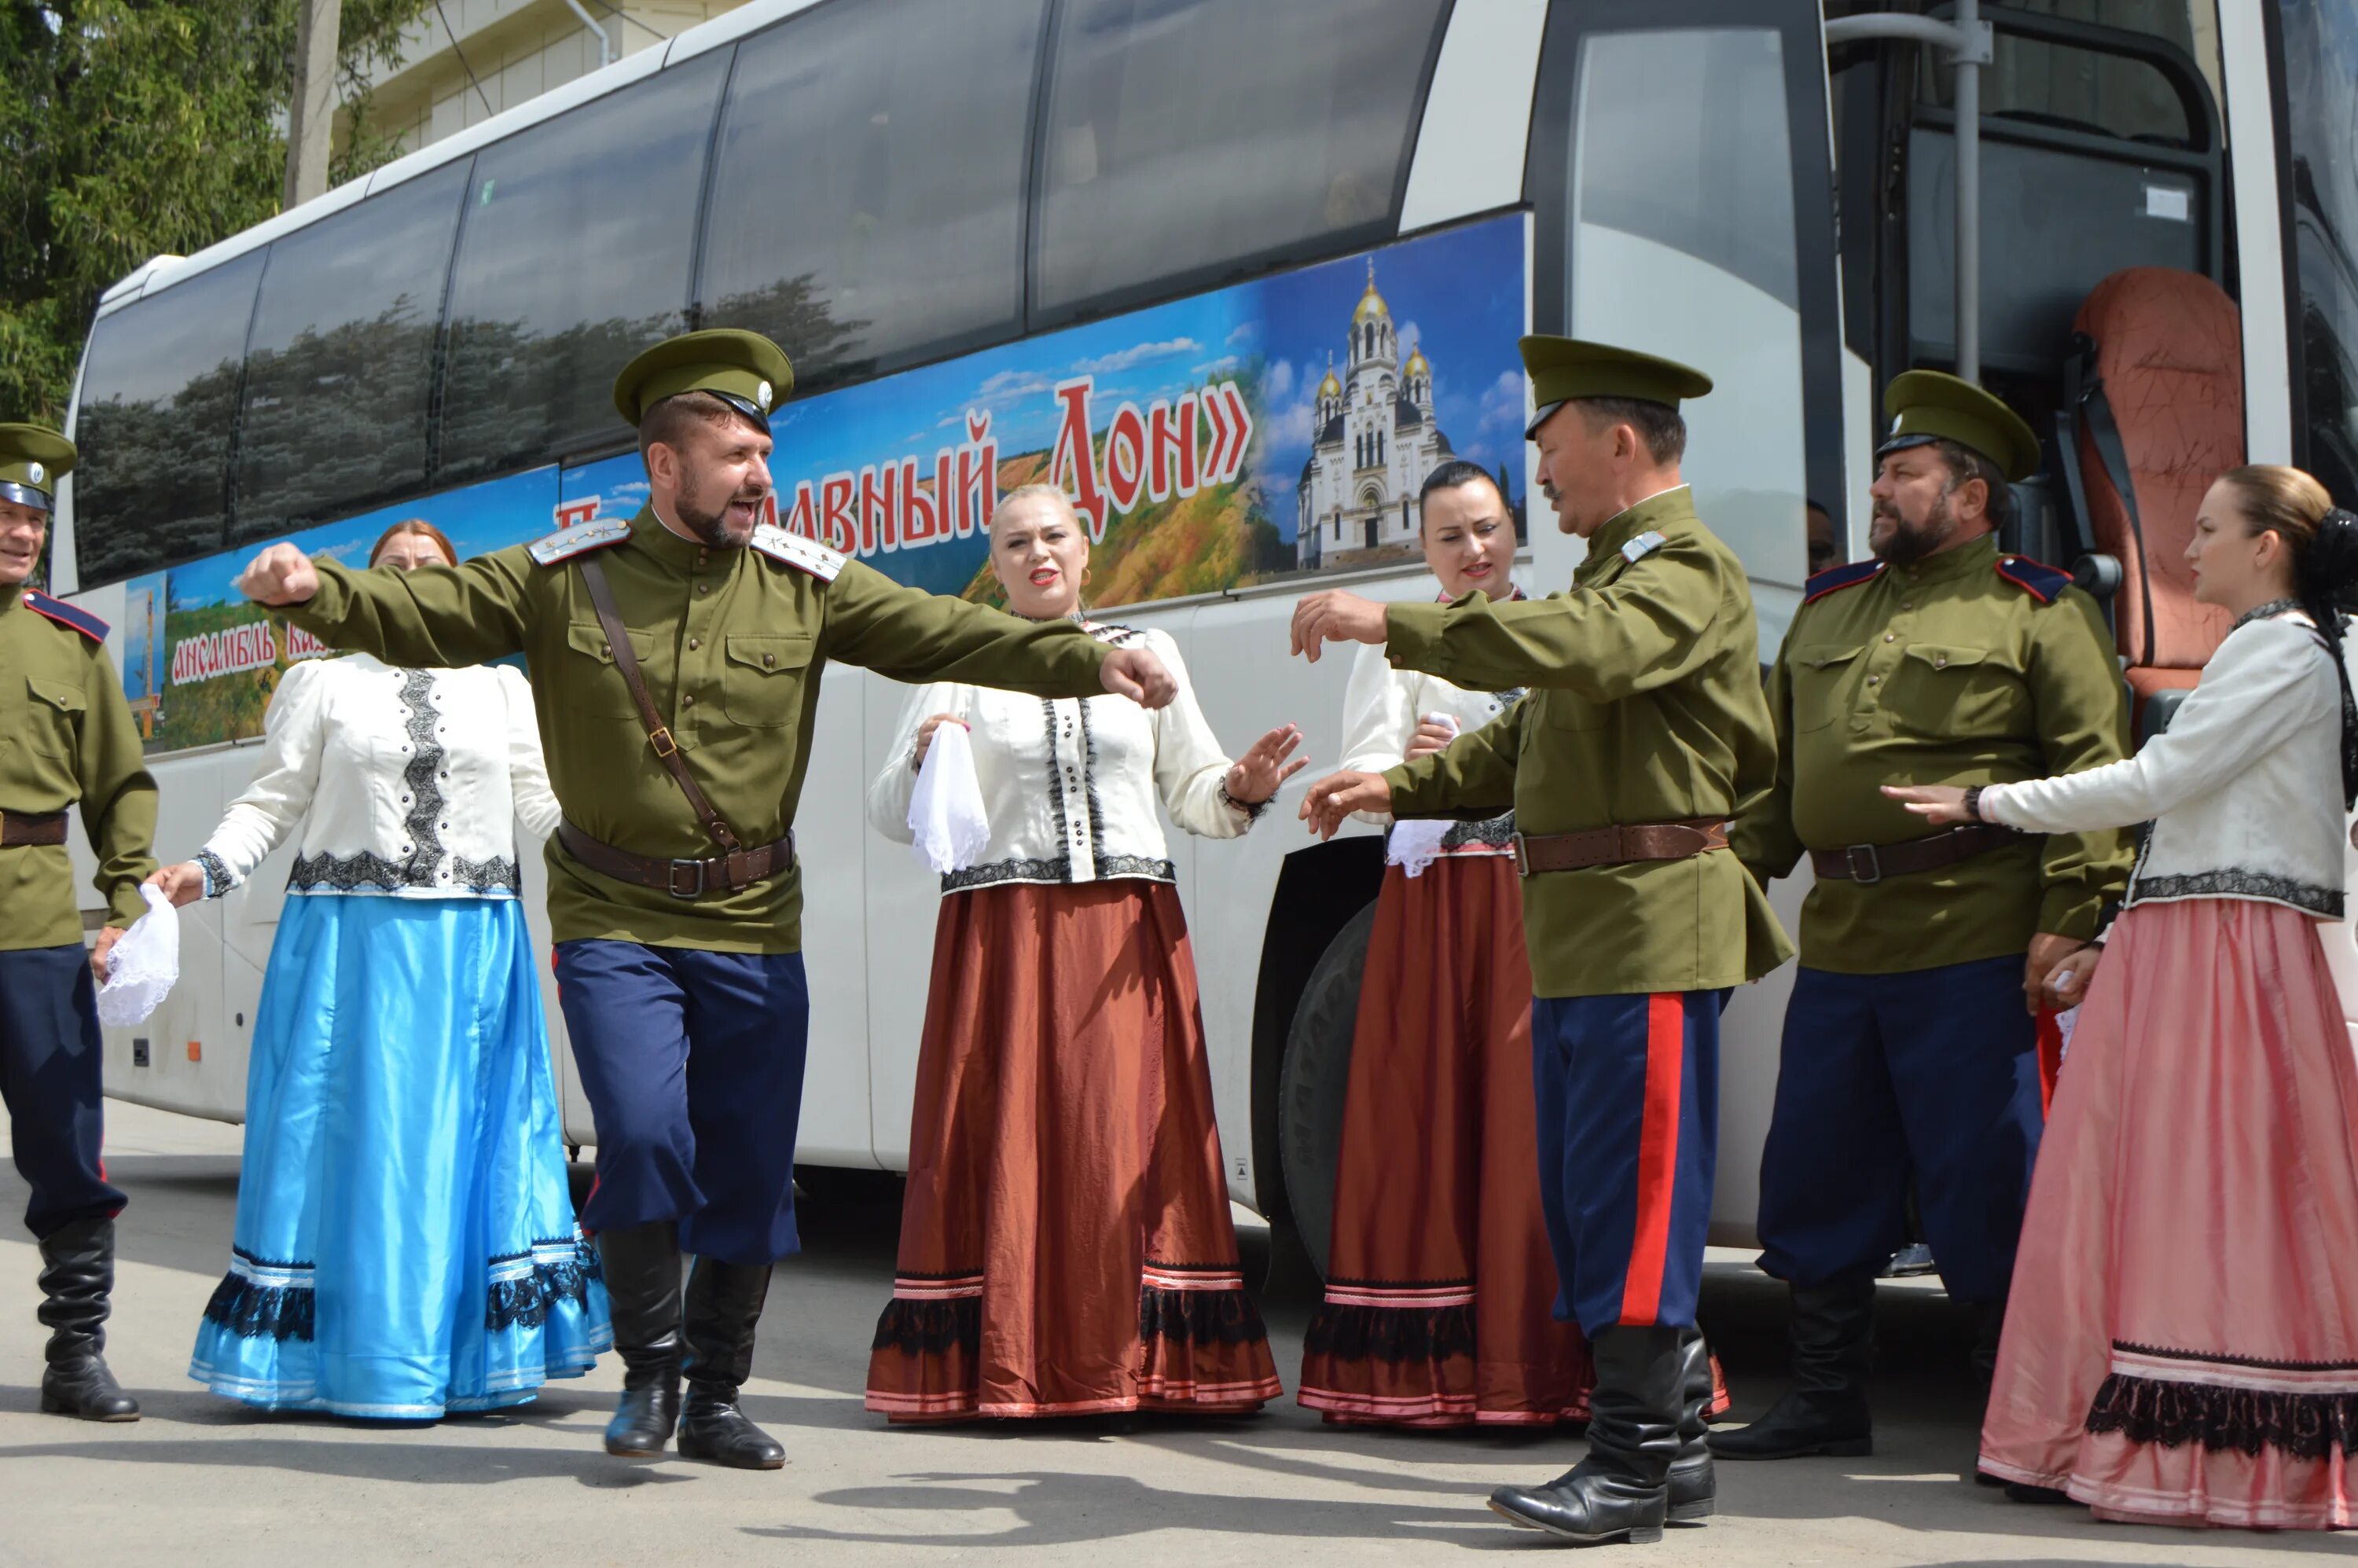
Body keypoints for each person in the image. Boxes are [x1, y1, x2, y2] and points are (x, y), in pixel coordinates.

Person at [230, 330, 1177, 1470]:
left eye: (764, 450)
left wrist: (1087, 660)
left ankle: (719, 1390)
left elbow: (949, 628)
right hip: (614, 917)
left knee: (750, 1159)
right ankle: (650, 1370)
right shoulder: (561, 575)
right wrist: (315, 589)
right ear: (664, 466)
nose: (760, 474)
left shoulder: (805, 582)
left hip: (752, 922)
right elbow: (429, 616)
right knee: (639, 1130)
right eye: (734, 453)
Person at [1291, 337, 1791, 1545]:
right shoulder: (1611, 579)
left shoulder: (1677, 572)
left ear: (1621, 445)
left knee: (1635, 1202)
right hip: (1581, 928)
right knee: (1587, 1202)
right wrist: (1386, 791)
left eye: (1554, 447)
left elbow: (1588, 653)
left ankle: (1622, 1467)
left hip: (1650, 921)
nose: (1542, 476)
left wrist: (1398, 623)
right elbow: (1520, 753)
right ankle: (1667, 1457)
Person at [1893, 466, 2358, 1530]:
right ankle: (2108, 1432)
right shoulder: (2278, 647)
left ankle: (2202, 1447)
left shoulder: (2281, 648)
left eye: (2207, 530)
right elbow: (2192, 814)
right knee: (2153, 1185)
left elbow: (2157, 782)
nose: (2188, 549)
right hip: (2198, 937)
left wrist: (1985, 800)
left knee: (2200, 1191)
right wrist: (2114, 932)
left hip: (2225, 947)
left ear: (2270, 546)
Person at [1718, 373, 2133, 1461]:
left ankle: (2018, 1409)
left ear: (1971, 496)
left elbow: (2095, 773)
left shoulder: (2041, 610)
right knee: (1815, 1166)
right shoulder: (1825, 607)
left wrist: (2076, 910)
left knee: (1988, 1176)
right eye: (1882, 473)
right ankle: (1823, 1397)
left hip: (1975, 937)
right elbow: (1776, 783)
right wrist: (1717, 882)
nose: (1881, 490)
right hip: (1845, 937)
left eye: (1906, 474)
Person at [150, 519, 610, 1418]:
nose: (409, 584)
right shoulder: (320, 681)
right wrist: (204, 870)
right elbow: (275, 797)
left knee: (471, 1144)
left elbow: (541, 799)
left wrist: (629, 855)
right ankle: (358, 1359)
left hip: (473, 945)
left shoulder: (502, 687)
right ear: (367, 585)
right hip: (347, 949)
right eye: (392, 571)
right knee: (359, 1152)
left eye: (429, 571)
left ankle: (466, 1356)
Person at [862, 484, 1298, 1421]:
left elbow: (1193, 792)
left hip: (1125, 926)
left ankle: (1139, 1364)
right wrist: (921, 756)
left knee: (1120, 1136)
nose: (1038, 554)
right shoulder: (962, 663)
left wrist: (1245, 786)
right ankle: (1018, 1362)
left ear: (1086, 549)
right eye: (1016, 543)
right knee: (1013, 1133)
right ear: (998, 564)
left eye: (1054, 536)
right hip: (1006, 931)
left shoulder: (1146, 653)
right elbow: (891, 814)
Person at [1295, 459, 1592, 1430]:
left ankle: (1542, 1352)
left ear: (1517, 534)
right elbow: (1365, 761)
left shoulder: (1558, 628)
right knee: (1442, 1115)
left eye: (1489, 528)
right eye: (1452, 537)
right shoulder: (1399, 647)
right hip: (1446, 897)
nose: (1475, 550)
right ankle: (1435, 1363)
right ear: (1422, 550)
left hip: (1537, 895)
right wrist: (1405, 770)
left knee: (1531, 1118)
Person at [0, 423, 156, 1422]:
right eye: (5, 515)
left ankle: (76, 1355)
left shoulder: (71, 643)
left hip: (34, 919)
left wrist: (128, 901)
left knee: (64, 1140)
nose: (20, 533)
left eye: (31, 519)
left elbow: (119, 785)